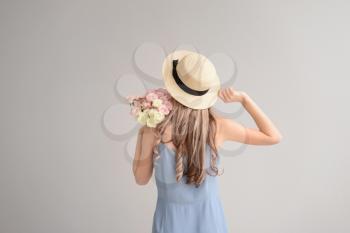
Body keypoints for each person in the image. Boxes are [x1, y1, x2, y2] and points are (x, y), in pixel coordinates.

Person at [132, 50, 283, 233]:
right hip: (210, 222)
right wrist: (244, 99)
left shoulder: (152, 131)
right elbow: (273, 136)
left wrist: (143, 134)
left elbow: (140, 179)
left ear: (172, 87)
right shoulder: (218, 127)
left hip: (170, 222)